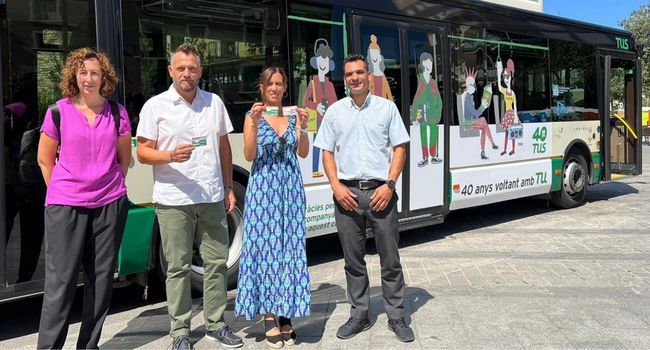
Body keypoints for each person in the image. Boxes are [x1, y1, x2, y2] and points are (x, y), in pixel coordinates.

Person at [136, 43, 243, 350]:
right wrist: (169, 155)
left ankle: (216, 324)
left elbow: (224, 147)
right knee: (179, 268)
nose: (187, 73)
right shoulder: (156, 106)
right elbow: (142, 152)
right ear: (171, 71)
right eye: (180, 68)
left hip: (211, 196)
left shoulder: (214, 103)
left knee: (216, 264)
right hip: (173, 200)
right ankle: (181, 331)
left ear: (200, 71)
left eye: (192, 68)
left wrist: (227, 187)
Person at [314, 54, 415, 343]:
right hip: (346, 195)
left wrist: (390, 185)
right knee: (353, 260)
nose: (355, 78)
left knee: (390, 258)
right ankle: (359, 315)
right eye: (349, 74)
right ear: (343, 79)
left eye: (360, 72)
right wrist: (335, 186)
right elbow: (327, 152)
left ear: (369, 76)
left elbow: (400, 148)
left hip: (381, 194)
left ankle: (396, 315)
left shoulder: (387, 108)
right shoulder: (334, 112)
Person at [36, 47, 131, 349]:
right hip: (65, 207)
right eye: (82, 72)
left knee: (101, 282)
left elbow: (124, 159)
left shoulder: (117, 113)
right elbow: (44, 160)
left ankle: (88, 346)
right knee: (60, 284)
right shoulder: (58, 111)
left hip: (109, 203)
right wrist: (63, 192)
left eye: (94, 73)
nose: (88, 78)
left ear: (104, 77)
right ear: (73, 76)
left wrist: (108, 188)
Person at [236, 67, 311, 349]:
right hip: (263, 192)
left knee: (290, 250)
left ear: (284, 88)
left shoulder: (293, 115)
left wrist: (302, 127)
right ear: (262, 87)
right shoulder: (251, 116)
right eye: (270, 83)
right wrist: (255, 123)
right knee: (266, 251)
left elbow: (302, 152)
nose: (275, 88)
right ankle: (269, 316)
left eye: (279, 84)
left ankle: (286, 312)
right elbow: (249, 154)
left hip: (290, 191)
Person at [303, 38, 337, 178]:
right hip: (317, 118)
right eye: (320, 61)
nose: (323, 64)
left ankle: (331, 169)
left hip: (328, 119)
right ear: (316, 63)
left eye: (325, 62)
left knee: (330, 145)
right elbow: (305, 100)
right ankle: (315, 169)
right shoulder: (312, 82)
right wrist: (316, 106)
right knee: (317, 145)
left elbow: (335, 102)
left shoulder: (330, 85)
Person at [410, 52, 443, 166]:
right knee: (423, 134)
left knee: (434, 133)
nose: (430, 65)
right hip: (421, 113)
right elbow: (416, 99)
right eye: (427, 62)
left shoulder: (433, 82)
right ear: (423, 64)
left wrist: (438, 115)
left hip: (433, 114)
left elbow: (439, 100)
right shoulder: (421, 81)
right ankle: (425, 157)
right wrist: (414, 117)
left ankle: (433, 156)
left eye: (431, 62)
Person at [461, 67, 498, 159]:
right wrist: (483, 106)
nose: (474, 86)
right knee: (484, 126)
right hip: (468, 123)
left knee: (483, 120)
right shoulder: (467, 98)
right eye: (473, 85)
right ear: (468, 85)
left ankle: (491, 144)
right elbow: (475, 114)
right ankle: (484, 150)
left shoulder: (469, 96)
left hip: (471, 121)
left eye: (474, 84)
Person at [496, 58, 519, 156]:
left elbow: (515, 106)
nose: (505, 78)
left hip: (512, 114)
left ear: (510, 76)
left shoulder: (513, 93)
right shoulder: (504, 91)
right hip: (507, 115)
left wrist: (516, 117)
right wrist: (498, 71)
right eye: (504, 76)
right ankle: (505, 149)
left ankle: (513, 149)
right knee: (507, 133)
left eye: (507, 76)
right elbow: (499, 86)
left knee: (512, 133)